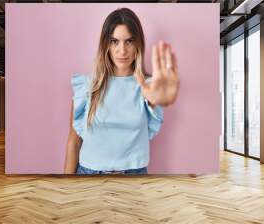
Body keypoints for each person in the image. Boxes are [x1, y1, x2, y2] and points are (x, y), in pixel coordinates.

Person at [64, 8, 180, 175]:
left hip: (134, 178)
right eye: (114, 41)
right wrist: (65, 187)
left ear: (138, 44)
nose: (122, 50)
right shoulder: (86, 86)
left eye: (129, 41)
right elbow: (73, 142)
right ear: (105, 44)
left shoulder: (148, 87)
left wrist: (155, 102)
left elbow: (153, 99)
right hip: (88, 176)